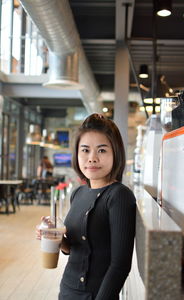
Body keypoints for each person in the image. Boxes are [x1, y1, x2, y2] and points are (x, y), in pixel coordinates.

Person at [37, 114, 136, 300]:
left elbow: (120, 266)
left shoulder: (120, 196)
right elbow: (73, 249)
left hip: (96, 294)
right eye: (85, 150)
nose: (92, 158)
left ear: (116, 153)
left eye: (102, 150)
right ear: (77, 154)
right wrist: (55, 236)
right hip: (67, 290)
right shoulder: (78, 193)